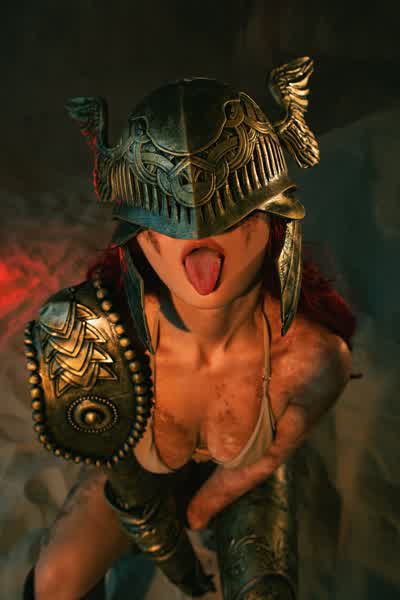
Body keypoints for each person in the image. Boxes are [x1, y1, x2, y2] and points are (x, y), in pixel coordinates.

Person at [23, 57, 354, 599]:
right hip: (142, 479)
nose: (199, 236)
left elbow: (266, 460)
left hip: (246, 474)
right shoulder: (101, 336)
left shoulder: (311, 359)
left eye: (234, 217)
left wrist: (197, 517)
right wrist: (166, 544)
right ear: (141, 239)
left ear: (273, 226)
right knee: (55, 581)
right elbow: (123, 477)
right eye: (168, 219)